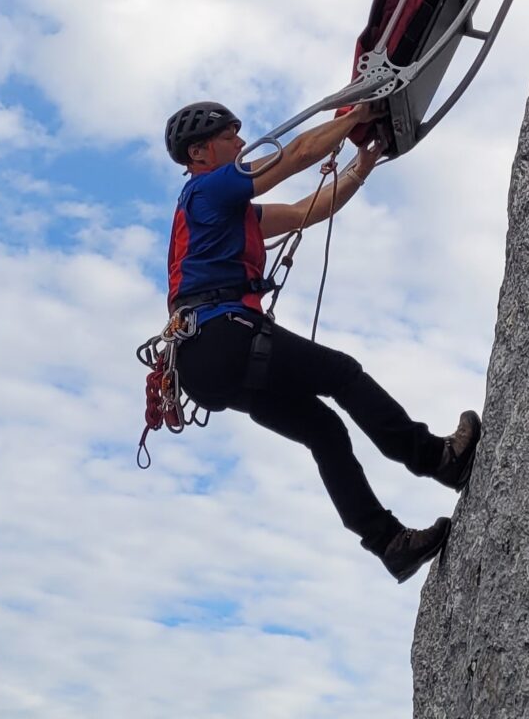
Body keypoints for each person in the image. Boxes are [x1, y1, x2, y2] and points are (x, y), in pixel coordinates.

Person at [163, 99, 482, 583]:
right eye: (231, 137)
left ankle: (389, 543)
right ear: (201, 153)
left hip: (203, 362)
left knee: (323, 431)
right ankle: (438, 459)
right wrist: (356, 115)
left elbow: (306, 210)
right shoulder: (208, 188)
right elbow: (293, 156)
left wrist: (361, 166)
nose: (242, 144)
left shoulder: (223, 211)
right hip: (222, 333)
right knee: (343, 375)